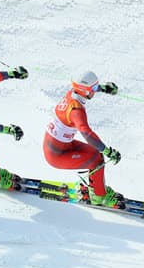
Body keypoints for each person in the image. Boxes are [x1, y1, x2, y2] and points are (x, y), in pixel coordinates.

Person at [42, 71, 123, 207]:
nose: (95, 91)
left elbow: (85, 88)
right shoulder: (76, 111)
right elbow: (87, 134)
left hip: (61, 145)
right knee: (97, 160)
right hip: (57, 155)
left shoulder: (74, 93)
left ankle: (96, 188)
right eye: (94, 89)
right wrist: (107, 151)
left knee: (95, 155)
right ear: (85, 90)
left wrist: (104, 88)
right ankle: (99, 197)